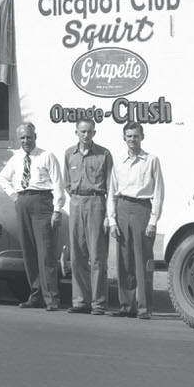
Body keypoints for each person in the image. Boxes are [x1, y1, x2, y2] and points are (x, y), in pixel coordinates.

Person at [0, 122, 63, 311]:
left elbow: (58, 183)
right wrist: (13, 195)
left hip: (42, 202)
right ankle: (36, 295)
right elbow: (2, 177)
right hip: (22, 202)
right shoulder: (16, 158)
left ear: (35, 136)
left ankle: (51, 298)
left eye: (29, 137)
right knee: (29, 251)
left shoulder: (46, 156)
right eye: (23, 138)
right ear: (19, 139)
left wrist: (57, 209)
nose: (26, 140)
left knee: (45, 252)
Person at [107, 121, 165, 319]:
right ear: (124, 138)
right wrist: (112, 220)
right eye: (129, 136)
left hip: (142, 208)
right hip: (123, 207)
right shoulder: (118, 161)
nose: (132, 139)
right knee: (124, 259)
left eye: (136, 136)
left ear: (142, 137)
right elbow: (111, 192)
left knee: (143, 260)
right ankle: (126, 305)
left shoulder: (151, 160)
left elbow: (158, 192)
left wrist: (153, 221)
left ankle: (144, 307)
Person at [63, 118, 114, 314]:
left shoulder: (104, 154)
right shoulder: (69, 154)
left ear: (94, 133)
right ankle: (80, 301)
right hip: (76, 203)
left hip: (96, 203)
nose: (86, 135)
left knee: (97, 256)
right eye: (82, 131)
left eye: (89, 132)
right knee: (77, 256)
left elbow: (111, 186)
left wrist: (109, 215)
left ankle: (98, 302)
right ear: (76, 132)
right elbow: (67, 182)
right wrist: (76, 198)